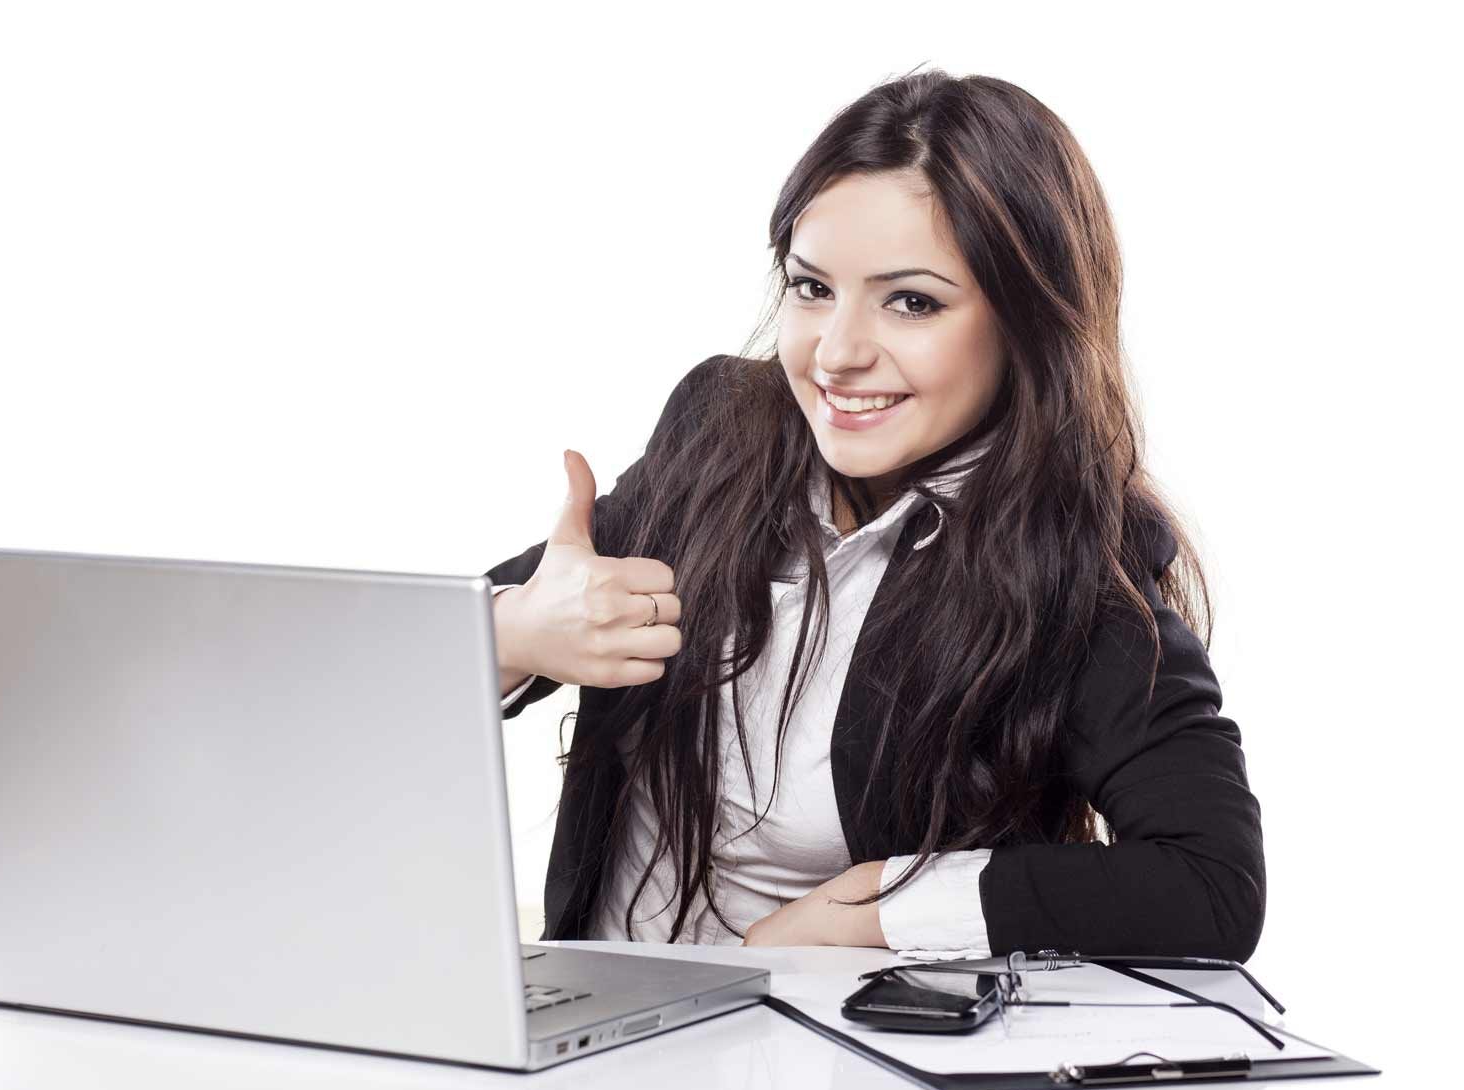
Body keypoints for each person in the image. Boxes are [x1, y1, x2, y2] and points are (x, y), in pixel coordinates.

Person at [485, 67, 1264, 963]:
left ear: (1026, 324)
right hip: (594, 1053)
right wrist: (512, 632)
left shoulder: (1075, 566)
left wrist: (882, 911)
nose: (837, 354)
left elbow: (1211, 884)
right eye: (812, 288)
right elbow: (383, 655)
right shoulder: (716, 433)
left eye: (912, 301)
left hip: (834, 1072)